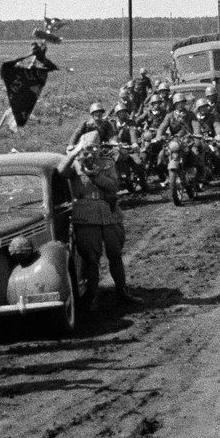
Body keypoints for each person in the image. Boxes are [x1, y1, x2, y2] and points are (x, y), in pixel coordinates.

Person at [57, 132, 141, 309]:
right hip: (87, 216)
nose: (92, 151)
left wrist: (96, 175)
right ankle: (92, 296)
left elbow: (113, 186)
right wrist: (73, 153)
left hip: (109, 212)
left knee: (115, 254)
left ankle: (122, 291)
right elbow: (61, 171)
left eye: (95, 147)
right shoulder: (75, 164)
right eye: (88, 147)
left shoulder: (107, 162)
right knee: (91, 258)